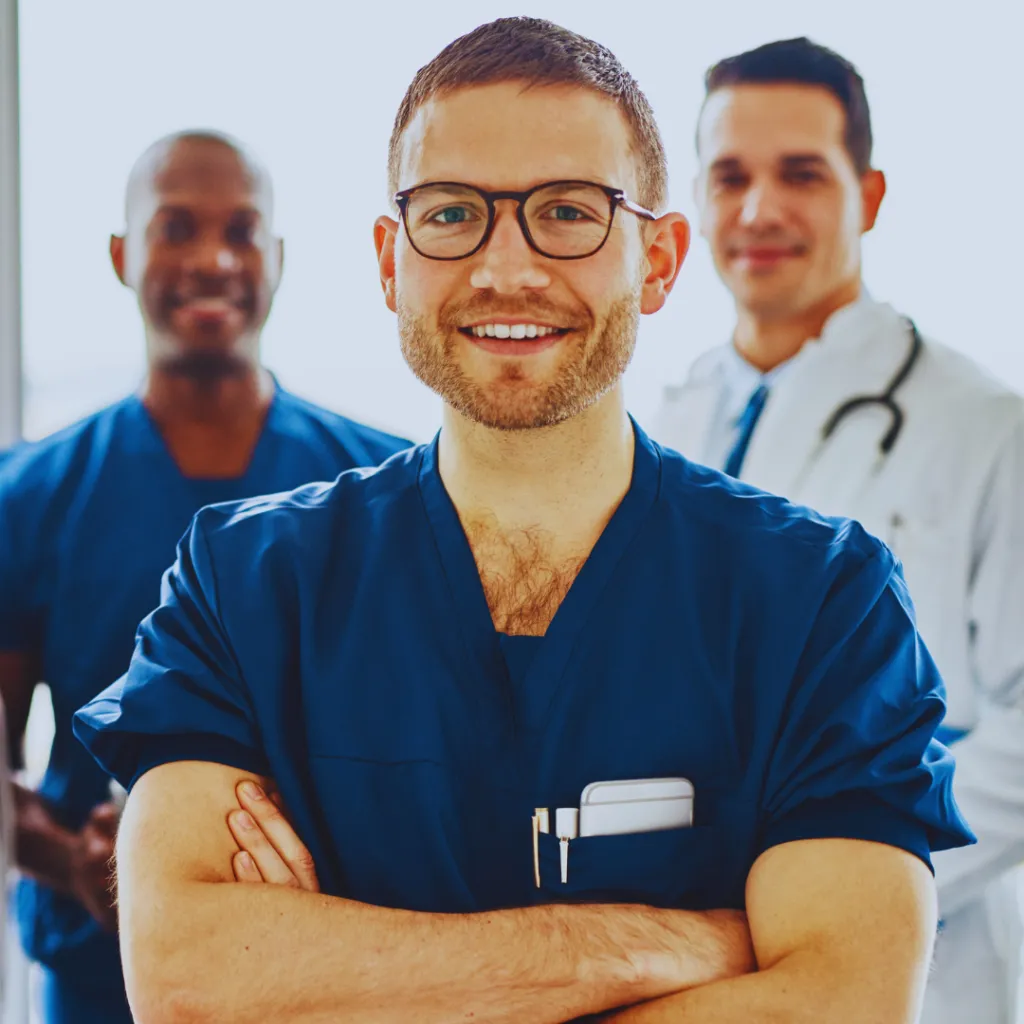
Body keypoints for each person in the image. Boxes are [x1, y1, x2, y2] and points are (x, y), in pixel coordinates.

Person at [76, 19, 972, 1024]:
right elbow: (189, 981)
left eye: (567, 212)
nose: (507, 268)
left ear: (660, 260)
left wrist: (338, 975)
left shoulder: (821, 601)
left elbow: (841, 1002)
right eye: (453, 213)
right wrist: (671, 943)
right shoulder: (243, 586)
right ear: (389, 259)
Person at [652, 36, 1024, 1024]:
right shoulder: (659, 421)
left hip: (918, 968)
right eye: (730, 175)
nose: (759, 209)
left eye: (800, 174)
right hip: (682, 950)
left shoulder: (985, 429)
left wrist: (849, 879)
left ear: (871, 193)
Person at [0, 129, 410, 1023]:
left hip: (334, 964)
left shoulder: (385, 489)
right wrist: (72, 854)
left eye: (241, 232)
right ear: (122, 255)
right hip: (98, 971)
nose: (213, 259)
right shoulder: (27, 497)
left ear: (280, 260)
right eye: (175, 228)